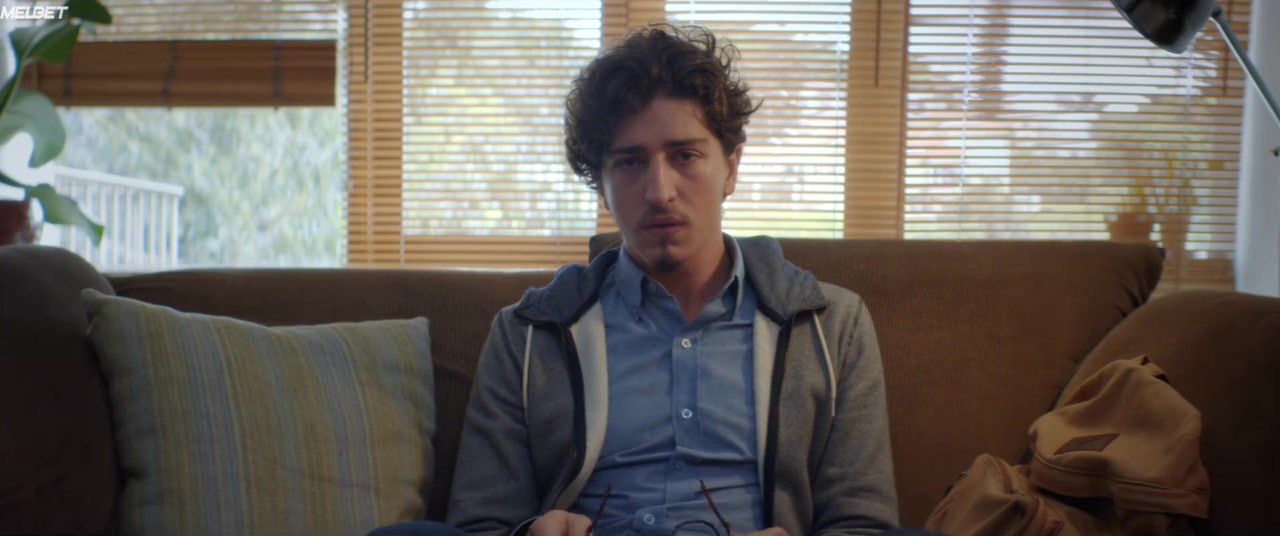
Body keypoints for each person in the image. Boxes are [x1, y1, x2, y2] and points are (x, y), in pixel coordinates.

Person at [373, 23, 910, 536]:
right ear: (601, 184)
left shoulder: (831, 324)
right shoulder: (528, 332)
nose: (659, 191)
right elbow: (481, 523)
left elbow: (862, 522)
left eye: (685, 155)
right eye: (630, 163)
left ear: (731, 168)